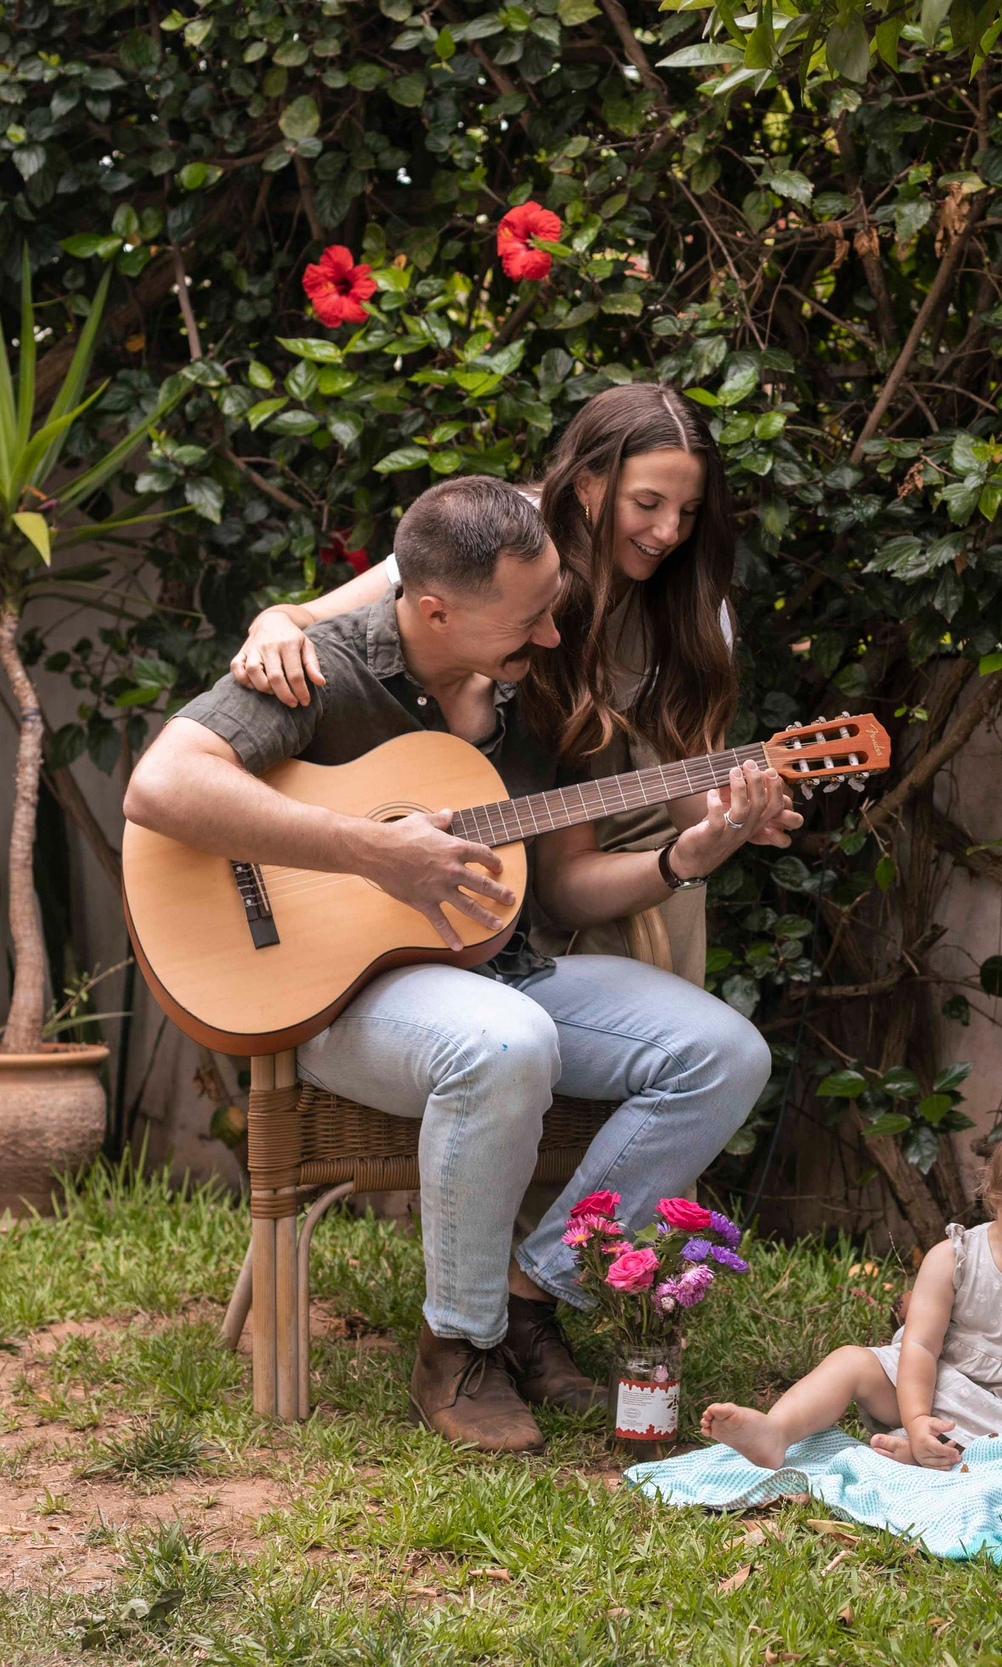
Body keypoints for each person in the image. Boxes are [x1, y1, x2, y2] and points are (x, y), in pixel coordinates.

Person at [121, 476, 780, 1455]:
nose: (552, 636)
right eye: (526, 620)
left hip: (496, 968)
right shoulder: (321, 668)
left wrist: (688, 856)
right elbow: (161, 785)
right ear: (436, 609)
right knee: (504, 1044)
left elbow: (560, 894)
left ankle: (530, 1295)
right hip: (331, 998)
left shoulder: (540, 689)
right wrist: (374, 852)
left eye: (552, 608)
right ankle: (457, 1348)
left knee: (725, 1053)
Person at [228, 382, 749, 983]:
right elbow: (335, 616)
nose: (667, 533)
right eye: (648, 503)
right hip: (496, 826)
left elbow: (691, 786)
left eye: (688, 512)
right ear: (586, 483)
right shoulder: (504, 537)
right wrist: (272, 623)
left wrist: (734, 818)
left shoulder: (693, 610)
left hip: (608, 837)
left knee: (685, 1036)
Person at [699, 1116, 1002, 1471]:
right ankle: (777, 1432)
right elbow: (921, 1346)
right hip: (935, 1386)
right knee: (850, 1361)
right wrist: (916, 1416)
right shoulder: (953, 1260)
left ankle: (931, 1457)